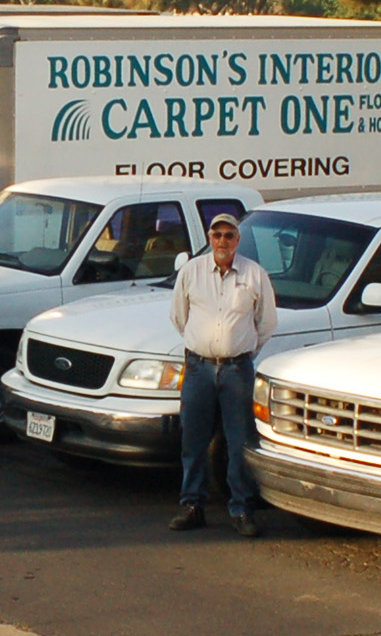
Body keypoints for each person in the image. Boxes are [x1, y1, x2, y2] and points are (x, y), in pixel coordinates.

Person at [167, 213, 280, 537]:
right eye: (216, 235)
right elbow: (179, 317)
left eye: (229, 235)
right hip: (199, 369)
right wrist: (203, 346)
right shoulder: (191, 271)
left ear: (237, 240)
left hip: (237, 371)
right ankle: (192, 505)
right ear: (209, 237)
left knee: (239, 441)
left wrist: (242, 350)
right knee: (193, 440)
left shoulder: (254, 275)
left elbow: (267, 322)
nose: (222, 241)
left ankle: (241, 509)